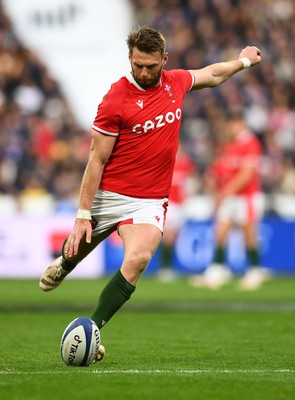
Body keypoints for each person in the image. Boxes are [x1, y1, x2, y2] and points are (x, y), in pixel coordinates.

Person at [39, 26, 262, 359]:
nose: (144, 72)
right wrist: (83, 215)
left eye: (151, 66)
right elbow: (96, 160)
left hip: (150, 201)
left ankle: (93, 328)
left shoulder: (174, 83)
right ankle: (67, 262)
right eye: (138, 65)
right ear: (130, 58)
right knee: (76, 250)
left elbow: (212, 74)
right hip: (110, 193)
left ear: (164, 60)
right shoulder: (116, 99)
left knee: (139, 259)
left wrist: (242, 62)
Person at [190, 111, 270, 290]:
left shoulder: (250, 143)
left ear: (241, 123)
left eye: (233, 124)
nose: (230, 128)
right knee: (220, 231)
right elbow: (221, 167)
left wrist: (226, 191)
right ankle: (218, 269)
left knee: (249, 233)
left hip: (246, 196)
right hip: (230, 196)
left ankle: (255, 270)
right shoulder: (230, 144)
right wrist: (212, 180)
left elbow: (247, 174)